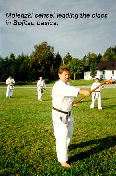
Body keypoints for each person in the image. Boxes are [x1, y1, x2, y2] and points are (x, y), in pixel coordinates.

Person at [52, 67, 90, 168]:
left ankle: (65, 147)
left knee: (69, 133)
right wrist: (82, 91)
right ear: (59, 75)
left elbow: (67, 96)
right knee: (62, 136)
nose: (67, 77)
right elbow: (69, 91)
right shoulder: (58, 85)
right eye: (65, 75)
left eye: (68, 75)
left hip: (68, 113)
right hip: (59, 114)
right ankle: (62, 160)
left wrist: (72, 102)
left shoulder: (67, 84)